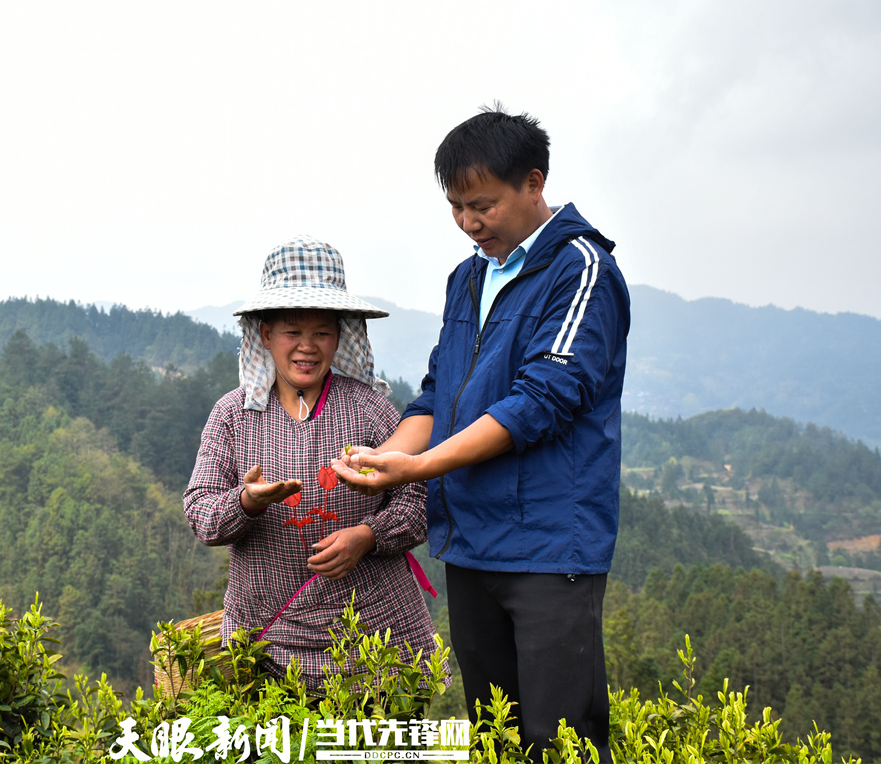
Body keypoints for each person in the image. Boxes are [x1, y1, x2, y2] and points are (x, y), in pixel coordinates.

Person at [332, 106, 629, 760]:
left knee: (561, 738)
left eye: (484, 205)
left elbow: (540, 402)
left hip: (550, 547)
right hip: (471, 541)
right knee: (496, 733)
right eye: (457, 207)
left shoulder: (578, 269)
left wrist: (421, 468)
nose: (470, 223)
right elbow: (441, 391)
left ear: (534, 182)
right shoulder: (468, 278)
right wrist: (387, 458)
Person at [183, 236, 440, 691]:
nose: (307, 347)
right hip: (268, 639)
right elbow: (201, 514)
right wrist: (246, 501)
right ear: (264, 334)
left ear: (340, 336)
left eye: (321, 332)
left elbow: (420, 505)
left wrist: (368, 535)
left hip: (371, 638)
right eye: (291, 332)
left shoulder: (370, 410)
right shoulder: (233, 416)